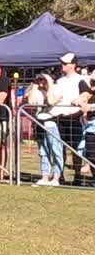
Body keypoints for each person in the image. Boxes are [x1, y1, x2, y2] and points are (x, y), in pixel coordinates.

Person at [43, 52, 90, 186]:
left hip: (74, 118)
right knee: (59, 148)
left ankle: (78, 176)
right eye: (62, 63)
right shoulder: (60, 80)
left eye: (65, 63)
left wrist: (80, 100)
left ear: (73, 65)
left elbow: (86, 93)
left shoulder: (81, 79)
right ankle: (59, 175)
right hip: (60, 117)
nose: (62, 65)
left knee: (76, 149)